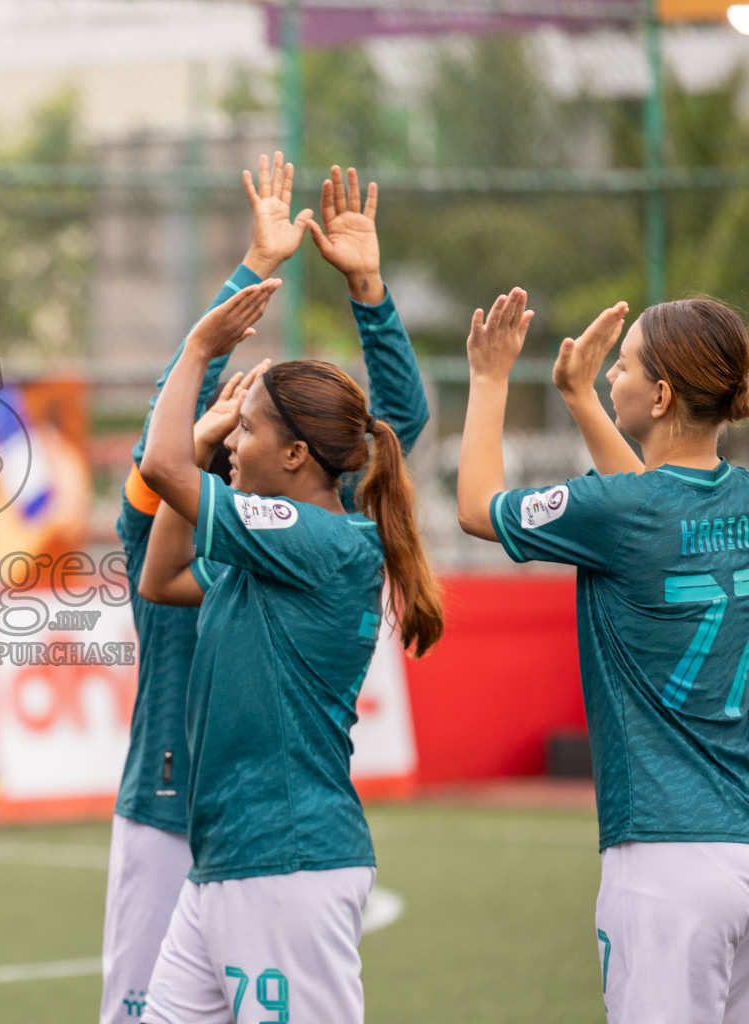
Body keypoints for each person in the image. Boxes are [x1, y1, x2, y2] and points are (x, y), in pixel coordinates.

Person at [100, 155, 429, 1023]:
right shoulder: (259, 542)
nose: (232, 440)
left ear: (294, 457)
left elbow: (165, 462)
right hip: (225, 858)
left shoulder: (316, 538)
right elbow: (162, 571)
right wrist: (203, 452)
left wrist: (207, 347)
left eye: (248, 429)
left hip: (285, 857)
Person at [458, 288, 749, 1023]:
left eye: (621, 368)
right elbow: (655, 502)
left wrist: (491, 378)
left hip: (663, 856)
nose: (610, 376)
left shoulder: (614, 512)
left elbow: (476, 504)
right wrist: (581, 397)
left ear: (660, 393)